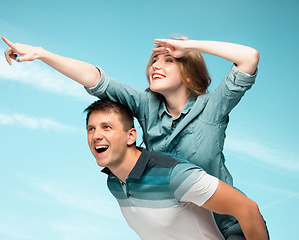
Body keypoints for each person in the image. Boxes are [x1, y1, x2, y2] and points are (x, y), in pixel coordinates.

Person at [2, 36, 261, 238]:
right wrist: (42, 54)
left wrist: (189, 46)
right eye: (154, 62)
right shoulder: (146, 104)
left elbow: (249, 58)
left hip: (228, 227)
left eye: (168, 60)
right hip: (178, 225)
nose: (156, 66)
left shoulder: (211, 107)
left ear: (189, 73)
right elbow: (96, 79)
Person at [84, 99, 268, 240]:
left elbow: (247, 208)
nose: (96, 136)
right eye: (90, 129)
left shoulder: (174, 175)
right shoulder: (114, 181)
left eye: (106, 127)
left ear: (131, 136)